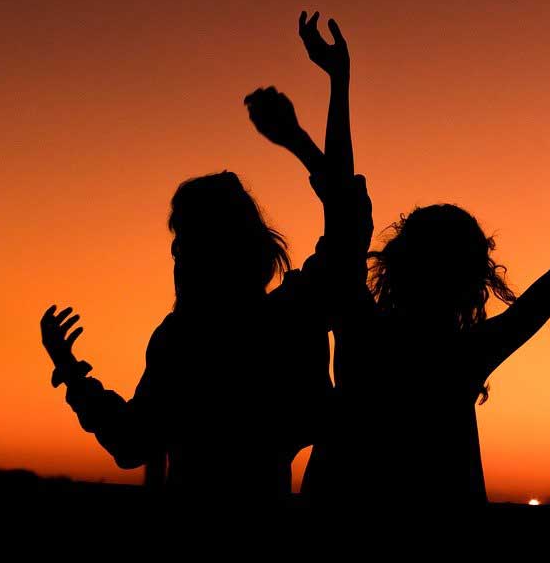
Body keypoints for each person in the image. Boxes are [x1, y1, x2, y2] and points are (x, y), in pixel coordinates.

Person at [260, 12, 550, 507]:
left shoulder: (364, 328)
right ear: (474, 279)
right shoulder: (467, 353)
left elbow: (343, 212)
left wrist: (334, 90)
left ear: (398, 260)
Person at [39, 93, 341, 507]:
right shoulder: (284, 316)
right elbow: (346, 225)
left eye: (184, 237)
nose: (175, 251)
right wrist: (297, 139)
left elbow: (130, 442)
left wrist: (72, 374)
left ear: (211, 248)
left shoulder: (184, 338)